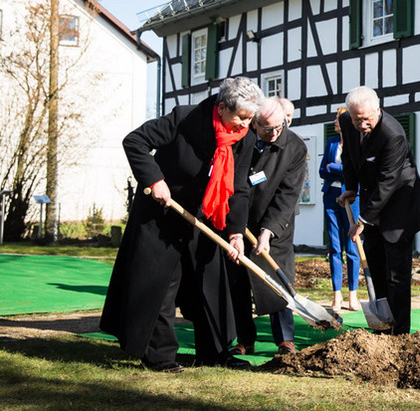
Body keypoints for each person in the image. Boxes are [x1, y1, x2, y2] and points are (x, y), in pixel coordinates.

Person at [101, 76, 263, 373]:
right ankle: (159, 355)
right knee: (162, 285)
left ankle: (214, 352)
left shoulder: (246, 138)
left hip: (207, 216)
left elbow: (239, 188)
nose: (245, 124)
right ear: (223, 106)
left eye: (250, 118)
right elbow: (135, 141)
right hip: (162, 214)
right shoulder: (184, 118)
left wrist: (236, 232)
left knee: (210, 285)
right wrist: (154, 179)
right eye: (241, 117)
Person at [335, 86, 420, 335]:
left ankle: (400, 332)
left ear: (378, 109)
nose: (362, 125)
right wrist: (351, 187)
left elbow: (388, 181)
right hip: (371, 198)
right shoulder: (346, 120)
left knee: (396, 272)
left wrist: (363, 219)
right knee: (374, 263)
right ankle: (382, 326)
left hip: (400, 204)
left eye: (367, 119)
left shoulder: (392, 134)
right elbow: (349, 158)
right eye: (357, 119)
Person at [228, 97, 307, 356]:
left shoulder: (294, 146)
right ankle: (244, 339)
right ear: (255, 124)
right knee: (238, 280)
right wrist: (236, 226)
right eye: (267, 129)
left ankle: (285, 340)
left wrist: (268, 231)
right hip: (239, 217)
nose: (274, 134)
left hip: (276, 222)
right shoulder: (240, 138)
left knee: (278, 281)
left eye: (278, 128)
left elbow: (288, 195)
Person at [320, 106, 360, 314]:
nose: (335, 122)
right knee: (335, 248)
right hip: (330, 199)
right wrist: (335, 171)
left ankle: (353, 294)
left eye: (338, 119)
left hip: (351, 200)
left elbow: (353, 172)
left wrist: (332, 168)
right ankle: (337, 294)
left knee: (352, 249)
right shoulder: (331, 143)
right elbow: (321, 170)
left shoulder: (356, 144)